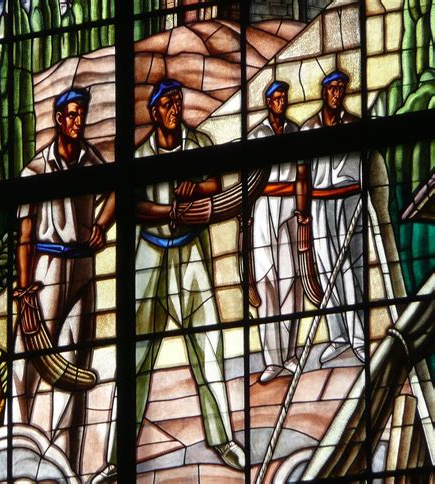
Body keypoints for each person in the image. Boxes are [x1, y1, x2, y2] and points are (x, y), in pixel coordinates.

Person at [93, 79, 244, 482]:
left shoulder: (197, 144)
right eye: (167, 103)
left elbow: (216, 183)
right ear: (154, 112)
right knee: (136, 355)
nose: (174, 108)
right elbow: (132, 205)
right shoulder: (139, 155)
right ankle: (117, 457)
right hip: (151, 253)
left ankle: (223, 439)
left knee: (208, 345)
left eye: (178, 101)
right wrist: (168, 213)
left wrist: (197, 186)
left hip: (191, 253)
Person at [13, 87, 116, 472]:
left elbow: (118, 191)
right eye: (71, 115)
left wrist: (102, 226)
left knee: (74, 362)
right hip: (46, 269)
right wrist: (24, 291)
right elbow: (24, 234)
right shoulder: (35, 171)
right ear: (58, 119)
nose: (77, 122)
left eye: (81, 115)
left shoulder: (92, 161)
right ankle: (18, 444)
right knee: (28, 360)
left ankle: (65, 463)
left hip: (82, 269)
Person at [301, 70, 364, 363]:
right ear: (323, 92)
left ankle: (359, 338)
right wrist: (303, 213)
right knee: (327, 270)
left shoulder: (354, 125)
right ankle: (338, 336)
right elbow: (303, 172)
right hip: (319, 203)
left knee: (350, 270)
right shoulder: (308, 129)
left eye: (341, 88)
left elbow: (362, 169)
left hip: (348, 199)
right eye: (332, 88)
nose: (337, 94)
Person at [248, 81, 302, 382]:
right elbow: (251, 184)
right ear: (268, 103)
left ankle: (291, 354)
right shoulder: (256, 135)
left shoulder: (295, 132)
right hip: (265, 211)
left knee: (291, 282)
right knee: (267, 281)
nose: (280, 103)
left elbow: (302, 175)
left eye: (284, 98)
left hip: (290, 211)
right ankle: (272, 360)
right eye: (276, 99)